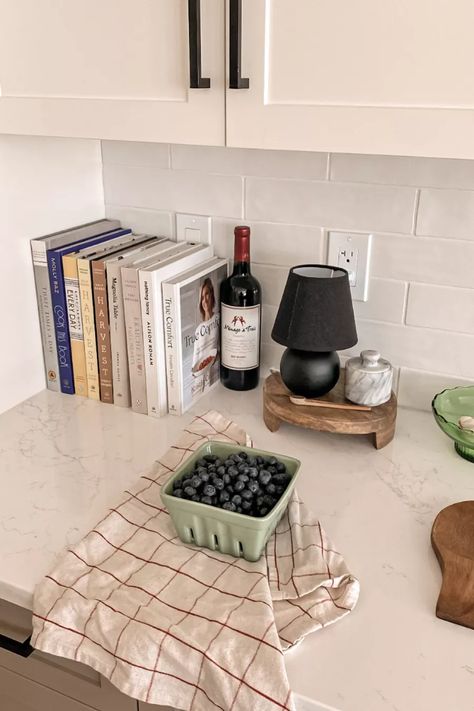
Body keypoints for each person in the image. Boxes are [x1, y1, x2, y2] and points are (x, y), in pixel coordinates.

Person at [192, 278, 219, 391]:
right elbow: (195, 361)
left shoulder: (218, 318)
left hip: (215, 376)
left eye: (207, 294)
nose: (205, 300)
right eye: (202, 297)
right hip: (200, 381)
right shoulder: (199, 329)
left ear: (212, 295)